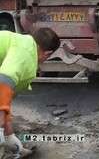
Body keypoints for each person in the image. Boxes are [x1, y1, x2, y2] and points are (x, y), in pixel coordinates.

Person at [0, 28, 60, 157]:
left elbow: (4, 99)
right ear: (47, 53)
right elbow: (4, 82)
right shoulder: (25, 54)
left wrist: (9, 134)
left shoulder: (23, 44)